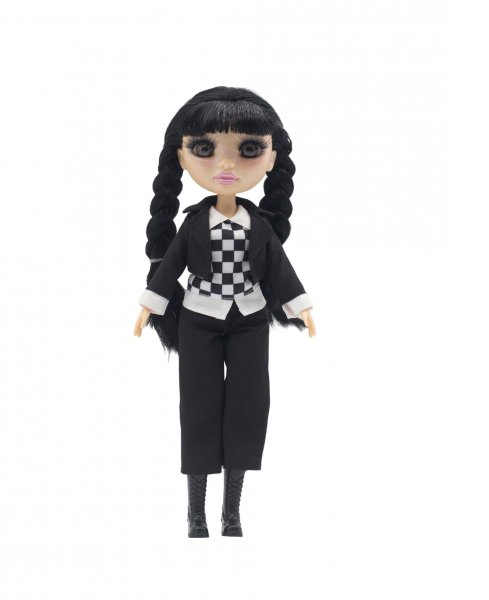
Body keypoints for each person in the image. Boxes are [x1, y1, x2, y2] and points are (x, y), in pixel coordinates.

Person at [132, 86, 316, 538]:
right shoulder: (194, 224)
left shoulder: (261, 228)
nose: (226, 165)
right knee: (198, 406)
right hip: (199, 318)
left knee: (249, 406)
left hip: (250, 318)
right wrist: (150, 305)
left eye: (249, 150)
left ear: (271, 159)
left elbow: (281, 270)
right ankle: (196, 514)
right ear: (182, 156)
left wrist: (301, 307)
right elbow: (170, 266)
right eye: (205, 150)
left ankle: (231, 512)